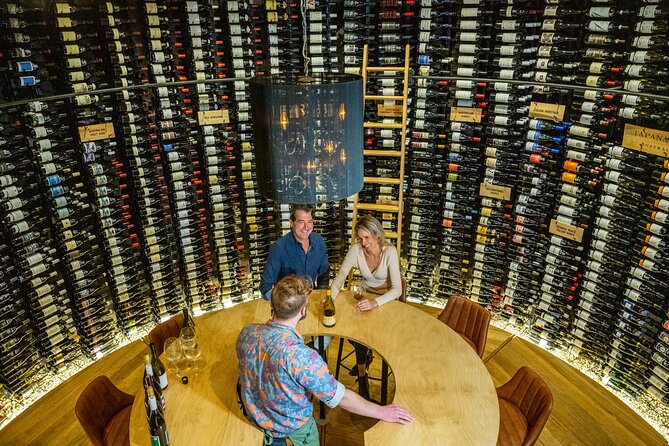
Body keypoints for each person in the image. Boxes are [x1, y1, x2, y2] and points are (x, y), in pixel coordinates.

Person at [236, 275, 413, 446]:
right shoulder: (303, 358)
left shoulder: (247, 333)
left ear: (272, 305)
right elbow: (341, 398)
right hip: (292, 432)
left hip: (254, 420)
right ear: (303, 311)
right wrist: (382, 411)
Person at [329, 215, 402, 399]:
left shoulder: (390, 252)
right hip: (365, 296)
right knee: (351, 330)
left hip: (386, 301)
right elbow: (340, 277)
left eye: (367, 237)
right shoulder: (356, 250)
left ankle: (363, 367)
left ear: (377, 235)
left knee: (362, 336)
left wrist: (374, 303)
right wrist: (331, 299)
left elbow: (397, 290)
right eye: (360, 238)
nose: (363, 242)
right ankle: (363, 373)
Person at [259, 204, 329, 300]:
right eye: (301, 222)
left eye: (309, 222)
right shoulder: (279, 248)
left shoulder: (319, 242)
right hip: (288, 304)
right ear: (291, 222)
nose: (306, 227)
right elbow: (265, 287)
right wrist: (285, 302)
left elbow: (324, 274)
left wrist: (319, 296)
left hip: (311, 300)